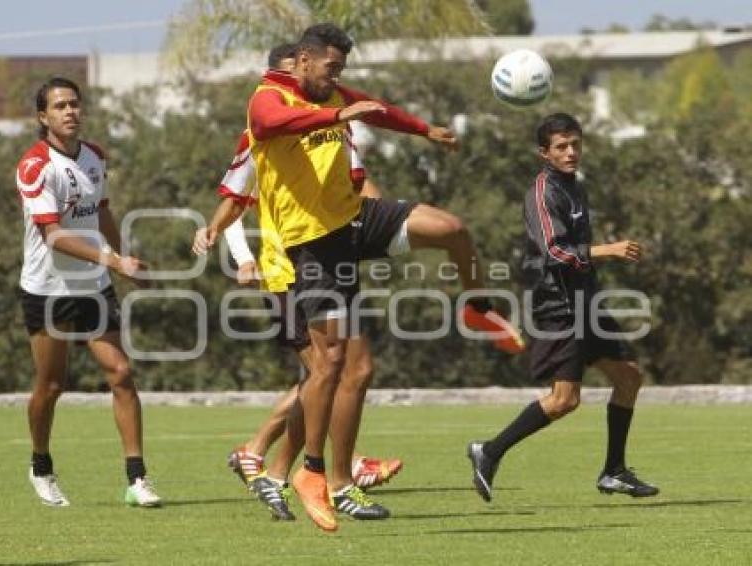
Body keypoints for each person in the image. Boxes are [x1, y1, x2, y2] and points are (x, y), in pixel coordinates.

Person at [197, 23, 520, 531]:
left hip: (354, 219)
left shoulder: (330, 92)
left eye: (341, 70)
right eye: (331, 67)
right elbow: (276, 125)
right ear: (301, 61)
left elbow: (375, 107)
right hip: (314, 245)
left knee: (452, 229)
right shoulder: (267, 99)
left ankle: (478, 307)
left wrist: (424, 130)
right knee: (330, 368)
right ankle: (312, 473)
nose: (338, 77)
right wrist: (336, 113)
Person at [204, 43, 402, 523]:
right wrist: (242, 257)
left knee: (331, 374)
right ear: (285, 72)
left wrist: (381, 231)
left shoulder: (331, 125)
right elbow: (233, 200)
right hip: (287, 269)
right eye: (297, 71)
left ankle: (277, 467)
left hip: (327, 258)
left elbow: (357, 186)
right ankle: (313, 470)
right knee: (329, 374)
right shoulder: (265, 129)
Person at [467, 112, 659, 502]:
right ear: (544, 153)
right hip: (559, 306)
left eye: (576, 144)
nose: (571, 152)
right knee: (564, 400)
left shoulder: (575, 186)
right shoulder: (542, 192)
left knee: (629, 377)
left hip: (586, 301)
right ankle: (488, 451)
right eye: (561, 147)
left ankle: (614, 471)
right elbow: (554, 252)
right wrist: (608, 250)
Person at [16, 77, 161, 507]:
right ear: (43, 117)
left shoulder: (95, 157)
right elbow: (55, 237)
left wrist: (123, 255)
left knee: (121, 373)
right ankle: (40, 466)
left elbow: (101, 212)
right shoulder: (35, 165)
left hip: (93, 286)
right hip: (48, 290)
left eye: (74, 104)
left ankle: (137, 480)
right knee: (52, 384)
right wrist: (115, 263)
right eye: (59, 106)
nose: (69, 112)